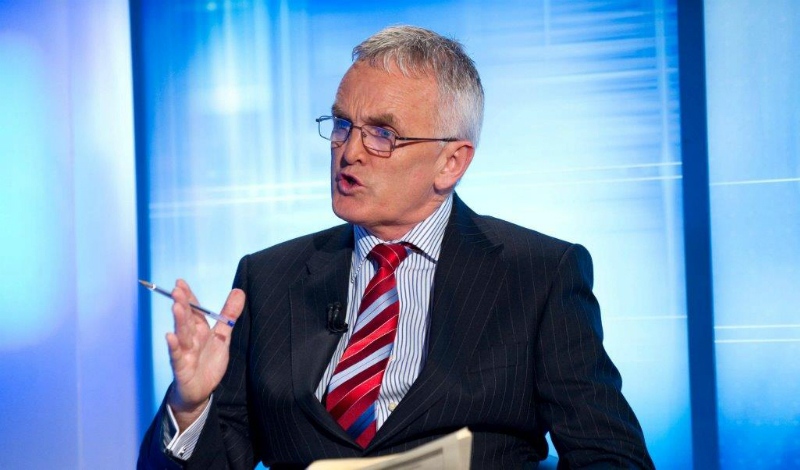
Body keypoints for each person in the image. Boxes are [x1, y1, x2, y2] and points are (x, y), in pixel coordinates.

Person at [138, 25, 655, 469]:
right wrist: (191, 407)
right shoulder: (269, 279)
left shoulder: (538, 275)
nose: (349, 152)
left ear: (451, 162)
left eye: (383, 134)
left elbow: (611, 456)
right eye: (343, 124)